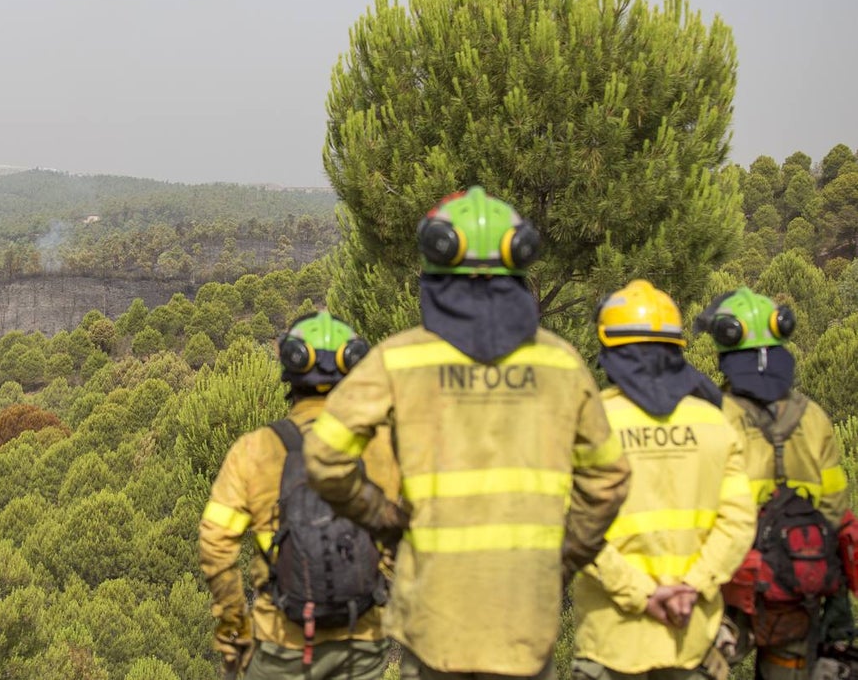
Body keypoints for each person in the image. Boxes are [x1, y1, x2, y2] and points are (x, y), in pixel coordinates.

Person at [303, 186, 632, 678]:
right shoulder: (560, 363)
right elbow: (608, 479)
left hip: (433, 617)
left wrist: (386, 520)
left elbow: (324, 457)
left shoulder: (400, 358)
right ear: (517, 265)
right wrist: (562, 559)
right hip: (526, 619)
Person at [199, 311, 400, 679]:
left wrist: (233, 622)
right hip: (362, 644)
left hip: (281, 643)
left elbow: (215, 542)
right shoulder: (384, 446)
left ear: (290, 371)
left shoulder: (255, 449)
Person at [572, 279, 756, 680]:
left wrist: (643, 594)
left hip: (613, 640)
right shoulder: (714, 421)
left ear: (609, 348)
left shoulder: (588, 422)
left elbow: (572, 527)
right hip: (693, 637)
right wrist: (691, 588)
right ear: (677, 349)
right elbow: (740, 521)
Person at [695, 288, 853, 680]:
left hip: (731, 590)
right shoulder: (813, 417)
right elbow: (836, 510)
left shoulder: (714, 415)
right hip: (796, 590)